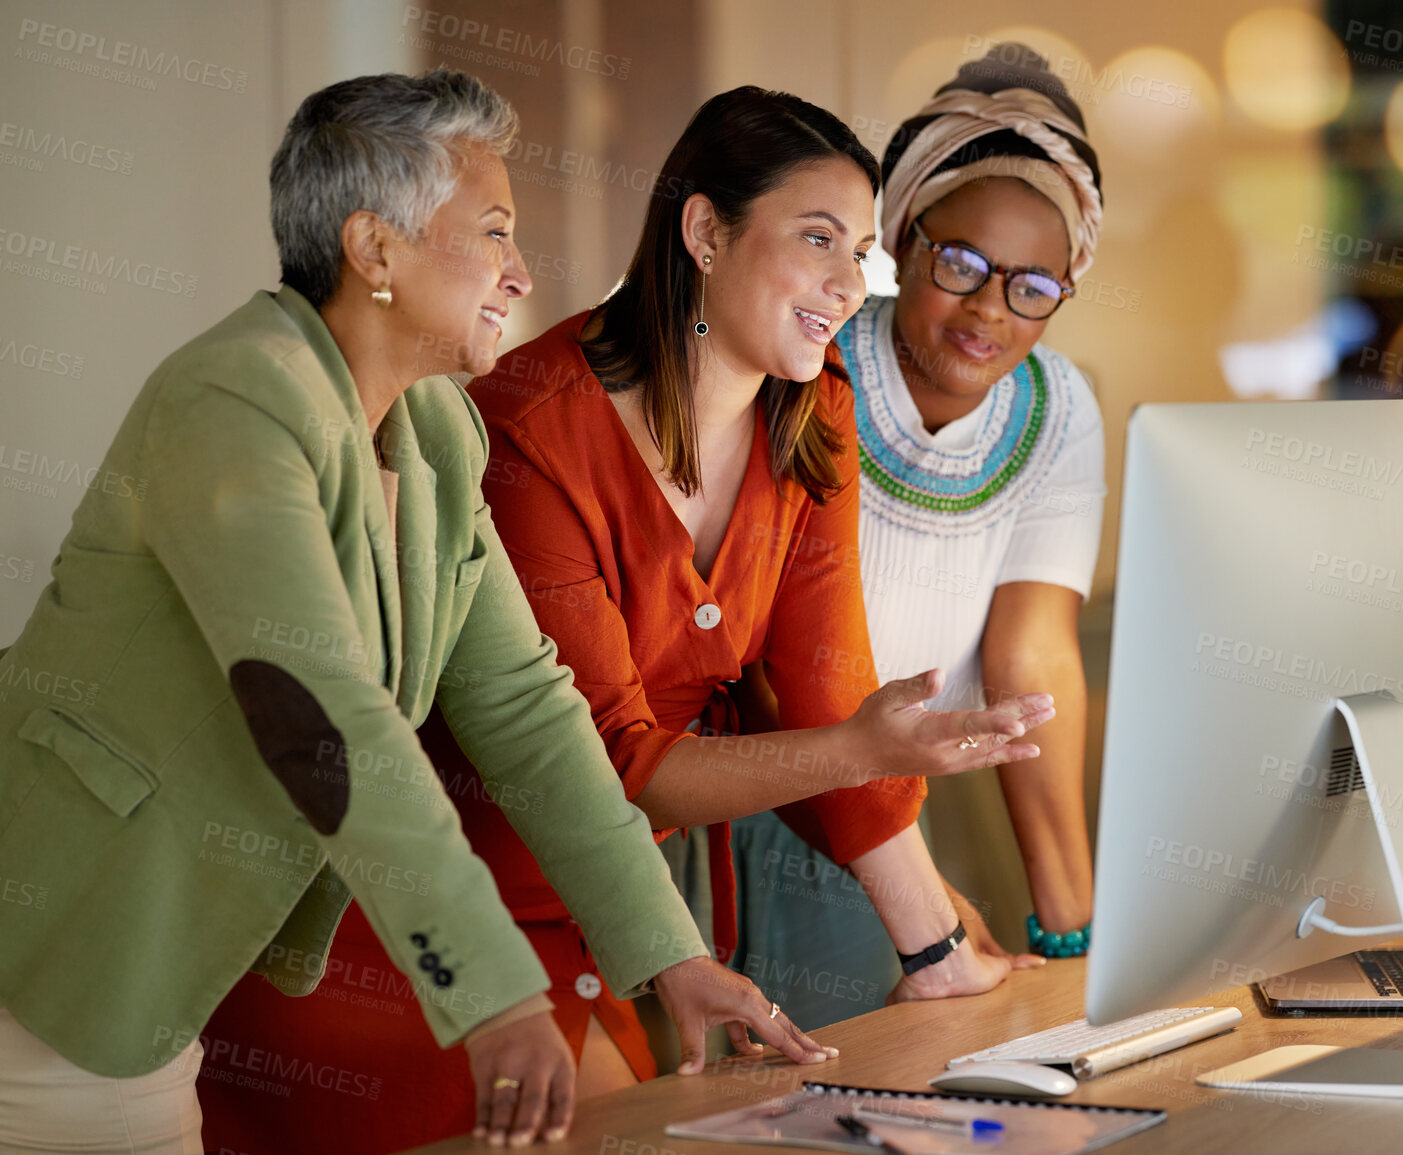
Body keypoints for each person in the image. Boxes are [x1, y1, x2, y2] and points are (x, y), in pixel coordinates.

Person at [198, 83, 1056, 1145]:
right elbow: (568, 750)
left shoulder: (809, 403)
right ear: (705, 231)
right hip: (425, 918)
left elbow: (814, 689)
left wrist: (935, 951)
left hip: (609, 902)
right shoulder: (509, 426)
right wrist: (852, 754)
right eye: (821, 240)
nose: (853, 282)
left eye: (863, 248)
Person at [0, 69, 821, 1155]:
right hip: (51, 942)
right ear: (373, 249)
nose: (520, 274)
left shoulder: (436, 432)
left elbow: (524, 709)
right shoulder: (235, 400)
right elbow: (321, 712)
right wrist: (495, 995)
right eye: (492, 233)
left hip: (153, 978)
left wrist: (671, 956)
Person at [730, 44, 1107, 1028]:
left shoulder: (1055, 405)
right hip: (770, 794)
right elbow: (776, 672)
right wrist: (925, 903)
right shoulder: (813, 365)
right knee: (824, 1091)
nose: (991, 308)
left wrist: (1074, 925)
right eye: (962, 263)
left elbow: (1035, 656)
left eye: (1034, 285)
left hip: (909, 798)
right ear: (903, 239)